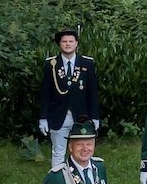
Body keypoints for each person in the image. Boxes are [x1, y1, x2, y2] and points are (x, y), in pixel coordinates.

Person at [38, 27, 101, 169]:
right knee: (58, 152)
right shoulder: (51, 64)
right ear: (59, 44)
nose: (68, 44)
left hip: (81, 116)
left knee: (81, 150)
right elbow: (45, 93)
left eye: (71, 41)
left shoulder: (87, 64)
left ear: (76, 43)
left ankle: (78, 180)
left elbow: (92, 94)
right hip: (57, 115)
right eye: (64, 41)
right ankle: (58, 180)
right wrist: (43, 118)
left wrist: (95, 117)